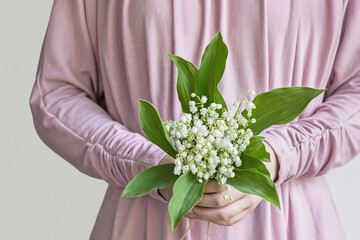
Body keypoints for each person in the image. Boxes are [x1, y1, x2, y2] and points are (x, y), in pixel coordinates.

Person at [29, 0, 360, 239]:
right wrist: (146, 163)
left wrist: (278, 156)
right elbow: (57, 94)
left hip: (292, 224)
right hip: (144, 224)